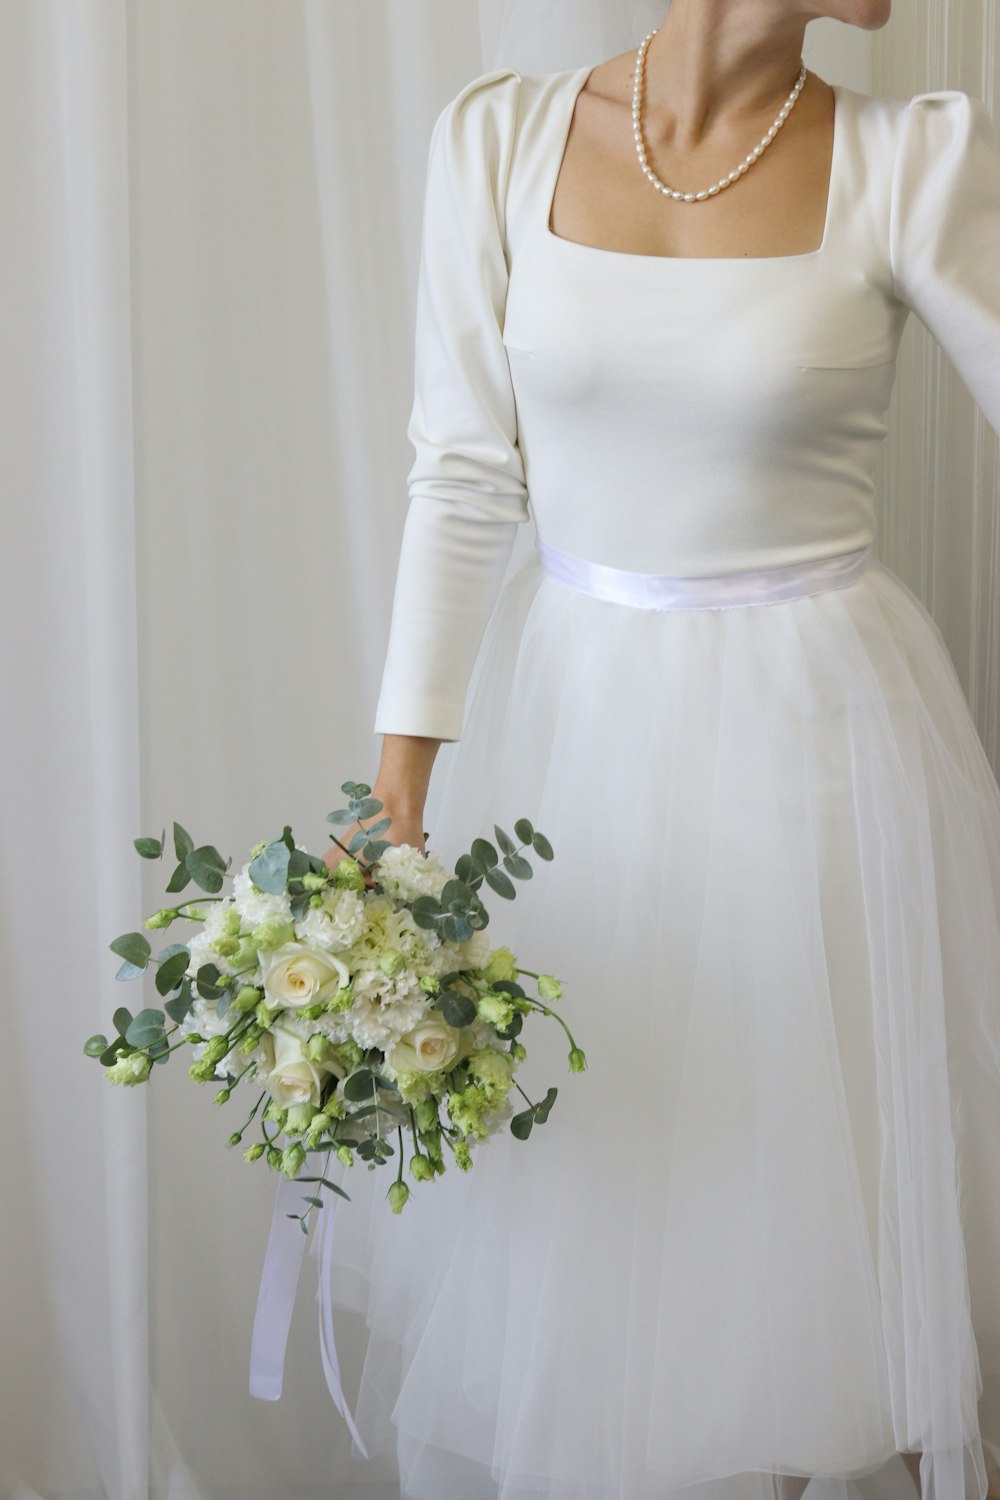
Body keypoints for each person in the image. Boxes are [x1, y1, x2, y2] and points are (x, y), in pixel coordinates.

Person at [321, 2, 1000, 1496]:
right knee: (606, 1174)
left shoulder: (908, 163)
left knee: (810, 1204)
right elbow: (461, 472)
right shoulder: (498, 138)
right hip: (575, 749)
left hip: (823, 747)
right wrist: (399, 805)